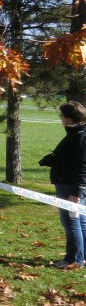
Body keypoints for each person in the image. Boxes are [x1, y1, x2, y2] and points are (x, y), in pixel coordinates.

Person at [47, 101, 86, 269]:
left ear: (69, 117)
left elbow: (82, 166)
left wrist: (76, 192)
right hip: (70, 183)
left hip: (71, 187)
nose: (61, 118)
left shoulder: (80, 135)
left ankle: (73, 259)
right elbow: (71, 159)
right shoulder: (74, 133)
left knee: (71, 222)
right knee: (81, 222)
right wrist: (53, 161)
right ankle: (82, 257)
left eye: (62, 115)